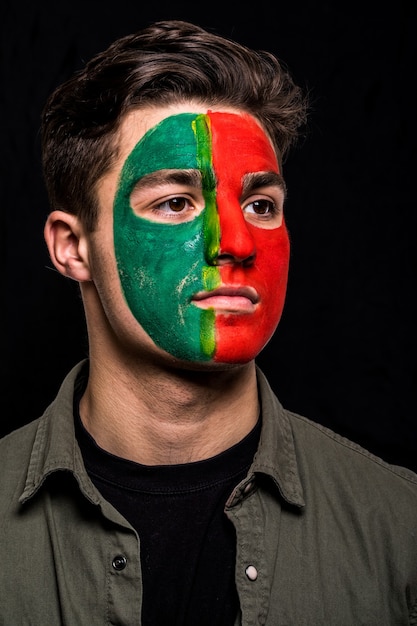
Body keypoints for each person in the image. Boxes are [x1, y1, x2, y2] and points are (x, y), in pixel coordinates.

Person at [1, 19, 416, 626]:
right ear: (73, 247)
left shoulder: (399, 528)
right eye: (176, 202)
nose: (237, 242)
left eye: (260, 204)